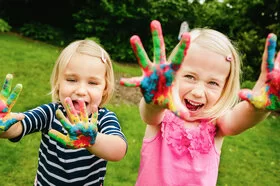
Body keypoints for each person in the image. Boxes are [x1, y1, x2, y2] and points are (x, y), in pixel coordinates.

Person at [120, 20, 280, 185]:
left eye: (213, 83)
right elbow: (149, 115)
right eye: (190, 77)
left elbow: (241, 118)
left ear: (225, 88)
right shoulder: (161, 115)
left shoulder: (217, 123)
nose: (198, 92)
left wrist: (260, 108)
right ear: (173, 76)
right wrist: (154, 102)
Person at [0, 40, 127, 186]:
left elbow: (118, 150)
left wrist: (92, 139)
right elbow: (18, 127)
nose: (80, 90)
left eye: (92, 83)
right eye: (71, 80)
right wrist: (4, 124)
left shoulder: (104, 118)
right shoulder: (50, 113)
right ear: (58, 83)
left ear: (105, 88)